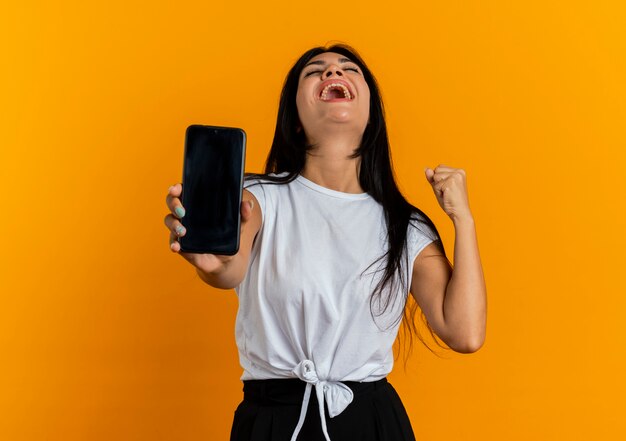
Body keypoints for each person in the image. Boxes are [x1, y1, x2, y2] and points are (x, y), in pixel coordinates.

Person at [164, 44, 487, 441]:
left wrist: (463, 221)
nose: (333, 73)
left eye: (349, 69)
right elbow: (230, 268)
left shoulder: (405, 224)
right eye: (315, 71)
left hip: (372, 423)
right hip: (272, 421)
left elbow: (465, 333)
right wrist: (212, 264)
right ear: (296, 118)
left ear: (370, 112)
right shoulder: (257, 197)